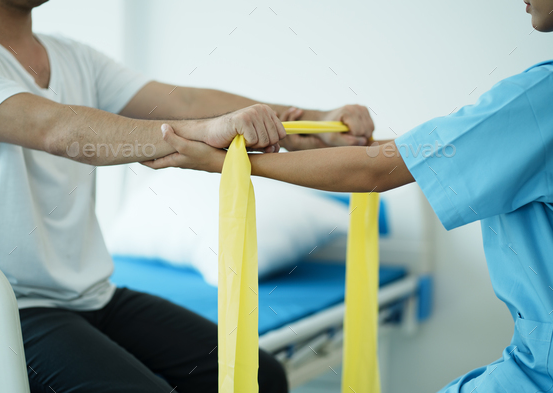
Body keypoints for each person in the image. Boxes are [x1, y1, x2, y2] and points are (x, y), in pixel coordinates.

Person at [0, 0, 377, 392]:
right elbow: (57, 130)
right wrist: (199, 131)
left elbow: (187, 101)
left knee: (262, 377)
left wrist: (306, 122)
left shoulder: (73, 57)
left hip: (90, 296)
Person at [149, 1, 553, 392]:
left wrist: (228, 163)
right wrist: (328, 140)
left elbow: (375, 170)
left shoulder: (541, 95)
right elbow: (426, 154)